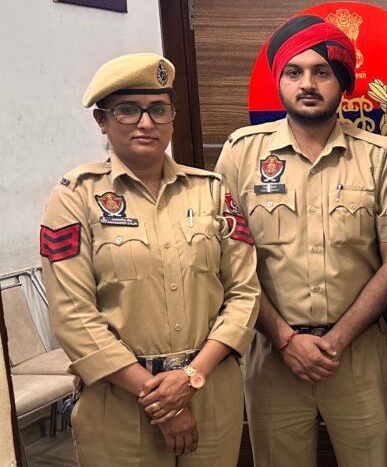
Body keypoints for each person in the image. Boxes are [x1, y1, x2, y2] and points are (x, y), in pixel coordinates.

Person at [40, 53, 259, 466]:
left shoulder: (212, 191)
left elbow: (244, 293)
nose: (146, 123)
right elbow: (73, 316)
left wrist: (191, 378)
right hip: (119, 403)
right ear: (102, 120)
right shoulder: (75, 197)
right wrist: (164, 403)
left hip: (210, 391)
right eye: (128, 110)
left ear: (172, 118)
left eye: (158, 109)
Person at [215, 14, 387, 467]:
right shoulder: (241, 154)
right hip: (272, 354)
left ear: (343, 83)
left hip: (358, 353)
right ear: (279, 81)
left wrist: (336, 339)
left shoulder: (379, 157)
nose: (308, 84)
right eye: (294, 72)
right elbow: (227, 264)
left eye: (322, 72)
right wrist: (284, 339)